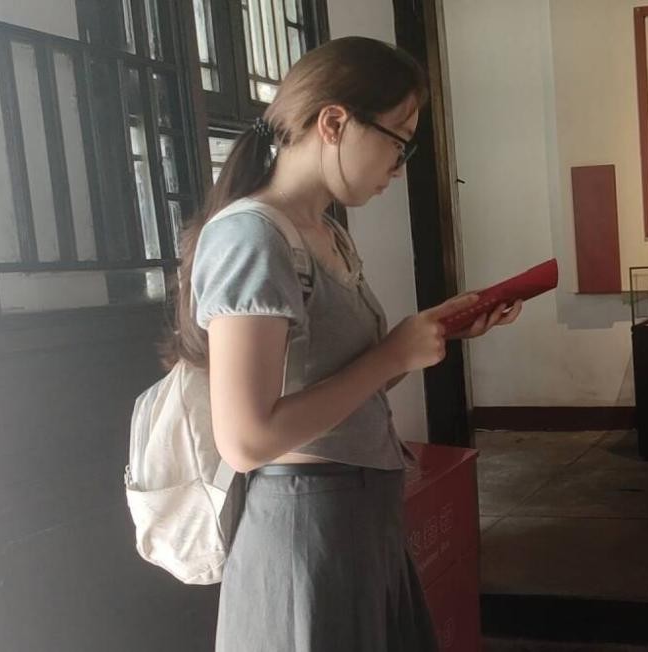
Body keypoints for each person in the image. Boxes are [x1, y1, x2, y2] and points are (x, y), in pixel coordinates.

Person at [166, 37, 521, 651]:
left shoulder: (325, 233)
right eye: (398, 139)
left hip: (357, 514)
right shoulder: (251, 236)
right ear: (334, 122)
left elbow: (345, 385)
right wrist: (392, 354)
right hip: (306, 522)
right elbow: (246, 440)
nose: (400, 165)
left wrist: (426, 338)